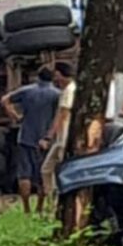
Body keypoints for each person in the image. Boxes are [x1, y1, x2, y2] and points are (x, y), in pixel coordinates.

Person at [0, 68, 61, 214]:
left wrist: (14, 115)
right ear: (52, 78)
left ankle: (26, 208)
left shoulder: (27, 91)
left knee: (24, 174)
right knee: (42, 174)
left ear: (37, 77)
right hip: (46, 140)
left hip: (25, 137)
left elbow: (4, 100)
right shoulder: (57, 94)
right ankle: (40, 207)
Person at [39, 62, 76, 198]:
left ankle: (57, 199)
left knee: (57, 170)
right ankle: (51, 200)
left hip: (64, 138)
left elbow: (62, 115)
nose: (54, 79)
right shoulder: (67, 90)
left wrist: (49, 136)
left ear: (60, 75)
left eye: (56, 75)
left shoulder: (69, 91)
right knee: (46, 170)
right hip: (60, 138)